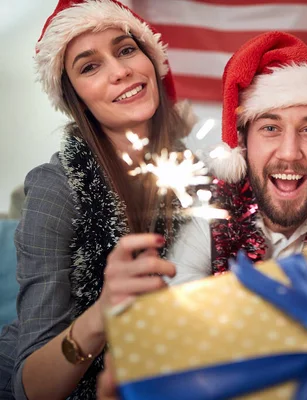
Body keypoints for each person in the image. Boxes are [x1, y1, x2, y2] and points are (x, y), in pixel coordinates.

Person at [96, 30, 307, 399]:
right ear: (243, 144)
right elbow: (177, 315)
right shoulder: (209, 216)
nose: (290, 152)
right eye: (270, 128)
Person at [0, 0, 197, 399]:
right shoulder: (55, 189)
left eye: (126, 50)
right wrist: (104, 312)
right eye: (90, 66)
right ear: (75, 97)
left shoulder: (193, 175)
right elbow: (30, 388)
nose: (121, 70)